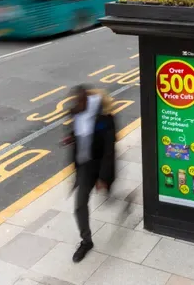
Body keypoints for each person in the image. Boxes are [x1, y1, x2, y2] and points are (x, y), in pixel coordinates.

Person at [65, 85, 116, 263]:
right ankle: (86, 241)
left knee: (108, 196)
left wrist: (103, 177)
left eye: (77, 102)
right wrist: (71, 137)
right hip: (85, 167)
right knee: (80, 205)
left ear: (86, 100)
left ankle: (113, 195)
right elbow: (79, 131)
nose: (74, 107)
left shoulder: (105, 118)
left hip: (101, 164)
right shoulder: (77, 113)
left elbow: (109, 149)